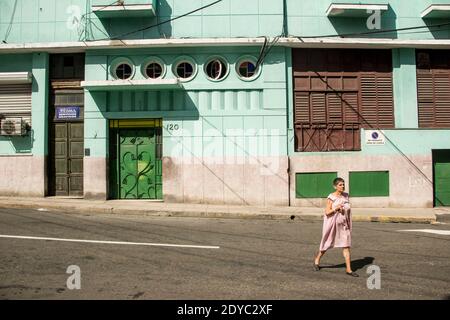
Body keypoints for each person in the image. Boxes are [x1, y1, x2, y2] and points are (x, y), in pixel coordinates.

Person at [313, 177, 358, 277]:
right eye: (340, 185)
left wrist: (343, 211)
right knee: (327, 243)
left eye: (343, 184)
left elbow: (347, 209)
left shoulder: (346, 196)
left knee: (346, 246)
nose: (343, 186)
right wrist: (336, 209)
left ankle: (349, 269)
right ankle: (317, 259)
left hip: (343, 225)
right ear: (335, 186)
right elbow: (327, 212)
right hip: (332, 225)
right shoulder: (331, 197)